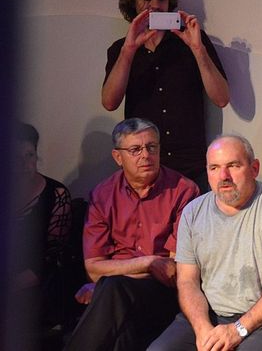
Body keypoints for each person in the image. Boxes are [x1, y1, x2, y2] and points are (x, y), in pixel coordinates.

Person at [148, 135, 262, 351]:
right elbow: (187, 281)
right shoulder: (192, 212)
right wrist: (202, 329)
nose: (224, 176)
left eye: (233, 165)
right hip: (208, 315)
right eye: (214, 168)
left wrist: (238, 329)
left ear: (254, 168)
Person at [64, 118, 199, 351]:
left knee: (113, 288)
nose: (146, 155)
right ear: (118, 157)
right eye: (135, 149)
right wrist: (148, 263)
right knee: (121, 329)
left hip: (162, 294)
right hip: (117, 294)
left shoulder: (184, 191)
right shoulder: (102, 195)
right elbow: (93, 269)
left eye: (151, 147)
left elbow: (172, 271)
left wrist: (107, 282)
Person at [102, 0, 229, 191]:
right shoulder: (120, 49)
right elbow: (110, 102)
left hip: (190, 166)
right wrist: (128, 51)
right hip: (144, 165)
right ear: (133, 2)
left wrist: (198, 50)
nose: (155, 5)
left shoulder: (192, 41)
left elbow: (221, 98)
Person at [11, 122, 72, 350]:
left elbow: (52, 256)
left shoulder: (56, 194)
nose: (24, 164)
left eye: (29, 155)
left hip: (37, 282)